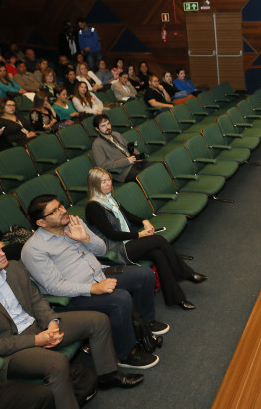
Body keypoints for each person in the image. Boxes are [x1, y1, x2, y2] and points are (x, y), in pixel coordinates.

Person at [0, 237, 143, 409]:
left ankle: (107, 375)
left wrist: (51, 322)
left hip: (38, 326)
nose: (0, 253)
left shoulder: (13, 267)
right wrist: (36, 340)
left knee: (97, 320)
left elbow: (37, 299)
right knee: (56, 364)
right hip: (12, 349)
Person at [22, 194, 167, 368]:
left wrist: (85, 239)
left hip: (100, 275)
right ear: (41, 222)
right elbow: (54, 286)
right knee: (120, 299)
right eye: (54, 211)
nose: (62, 211)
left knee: (145, 275)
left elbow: (101, 249)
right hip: (73, 297)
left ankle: (145, 323)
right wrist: (93, 288)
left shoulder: (74, 223)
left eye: (60, 205)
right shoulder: (33, 249)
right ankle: (126, 354)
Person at [85, 168, 205, 310]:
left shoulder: (110, 198)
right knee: (158, 240)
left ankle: (176, 298)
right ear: (94, 185)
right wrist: (139, 235)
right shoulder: (94, 206)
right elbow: (111, 234)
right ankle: (185, 273)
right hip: (116, 249)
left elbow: (128, 216)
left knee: (158, 254)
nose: (108, 183)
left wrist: (144, 221)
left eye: (109, 179)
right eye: (103, 182)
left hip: (128, 242)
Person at [91, 115, 147, 183]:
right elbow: (102, 165)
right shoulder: (97, 144)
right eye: (103, 126)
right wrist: (127, 161)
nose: (107, 127)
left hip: (134, 163)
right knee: (147, 175)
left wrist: (137, 154)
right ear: (97, 129)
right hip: (123, 171)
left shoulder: (116, 134)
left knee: (158, 167)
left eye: (108, 124)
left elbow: (128, 146)